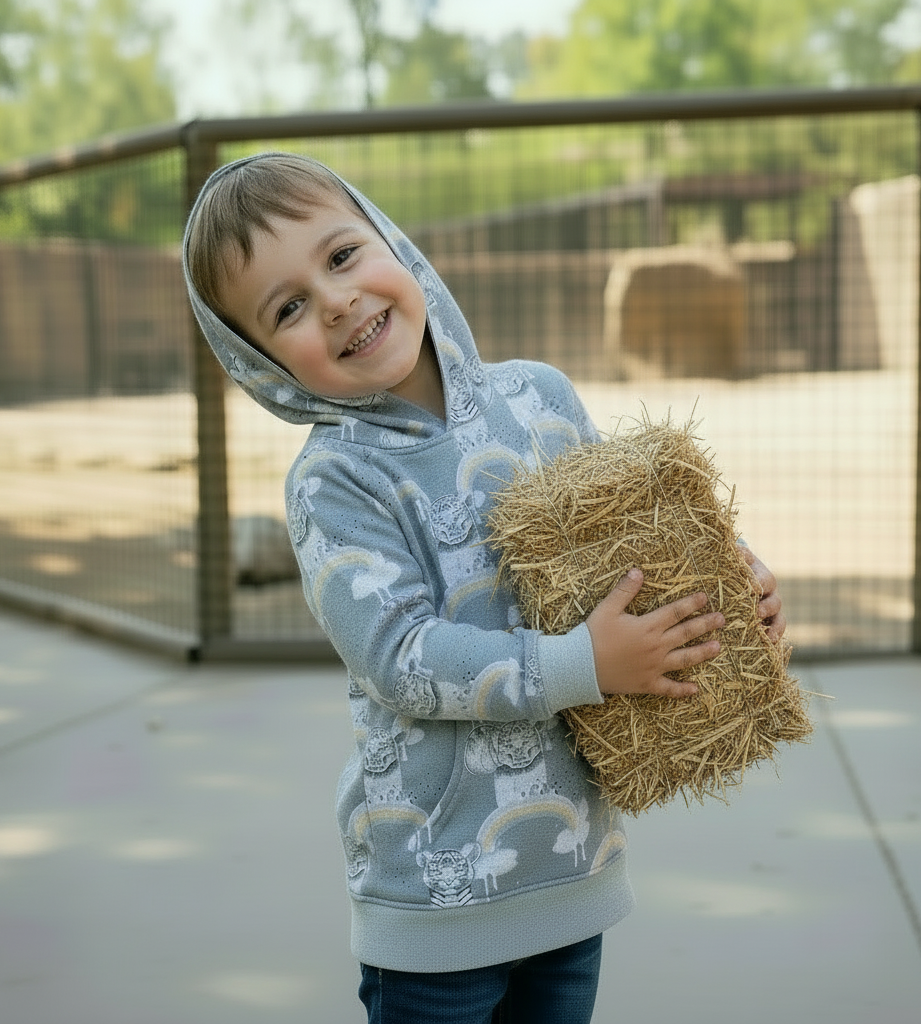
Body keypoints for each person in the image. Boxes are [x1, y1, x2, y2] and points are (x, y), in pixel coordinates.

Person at [182, 152, 786, 1024]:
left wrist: (730, 577)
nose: (338, 301)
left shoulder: (537, 397)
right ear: (261, 365)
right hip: (435, 900)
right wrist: (586, 662)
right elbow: (403, 657)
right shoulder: (335, 481)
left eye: (343, 257)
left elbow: (635, 535)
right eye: (288, 307)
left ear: (392, 241)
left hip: (572, 869)